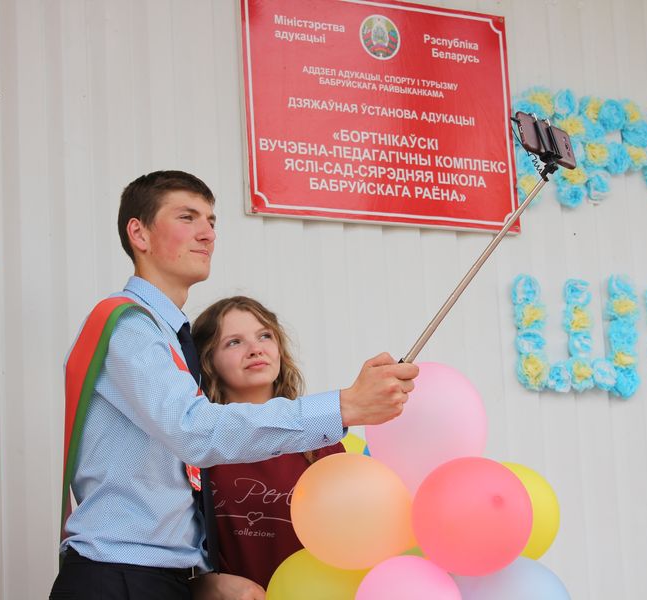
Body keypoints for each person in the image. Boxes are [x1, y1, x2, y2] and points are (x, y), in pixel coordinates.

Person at [49, 170, 418, 600]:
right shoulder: (130, 327)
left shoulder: (168, 338)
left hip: (156, 579)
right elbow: (193, 431)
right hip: (120, 579)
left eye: (211, 221)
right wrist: (343, 406)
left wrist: (200, 578)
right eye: (187, 217)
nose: (207, 234)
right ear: (139, 234)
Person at [190, 296, 346, 594]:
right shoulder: (196, 446)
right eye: (234, 342)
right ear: (208, 361)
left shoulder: (322, 443)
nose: (255, 349)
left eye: (264, 336)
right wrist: (204, 585)